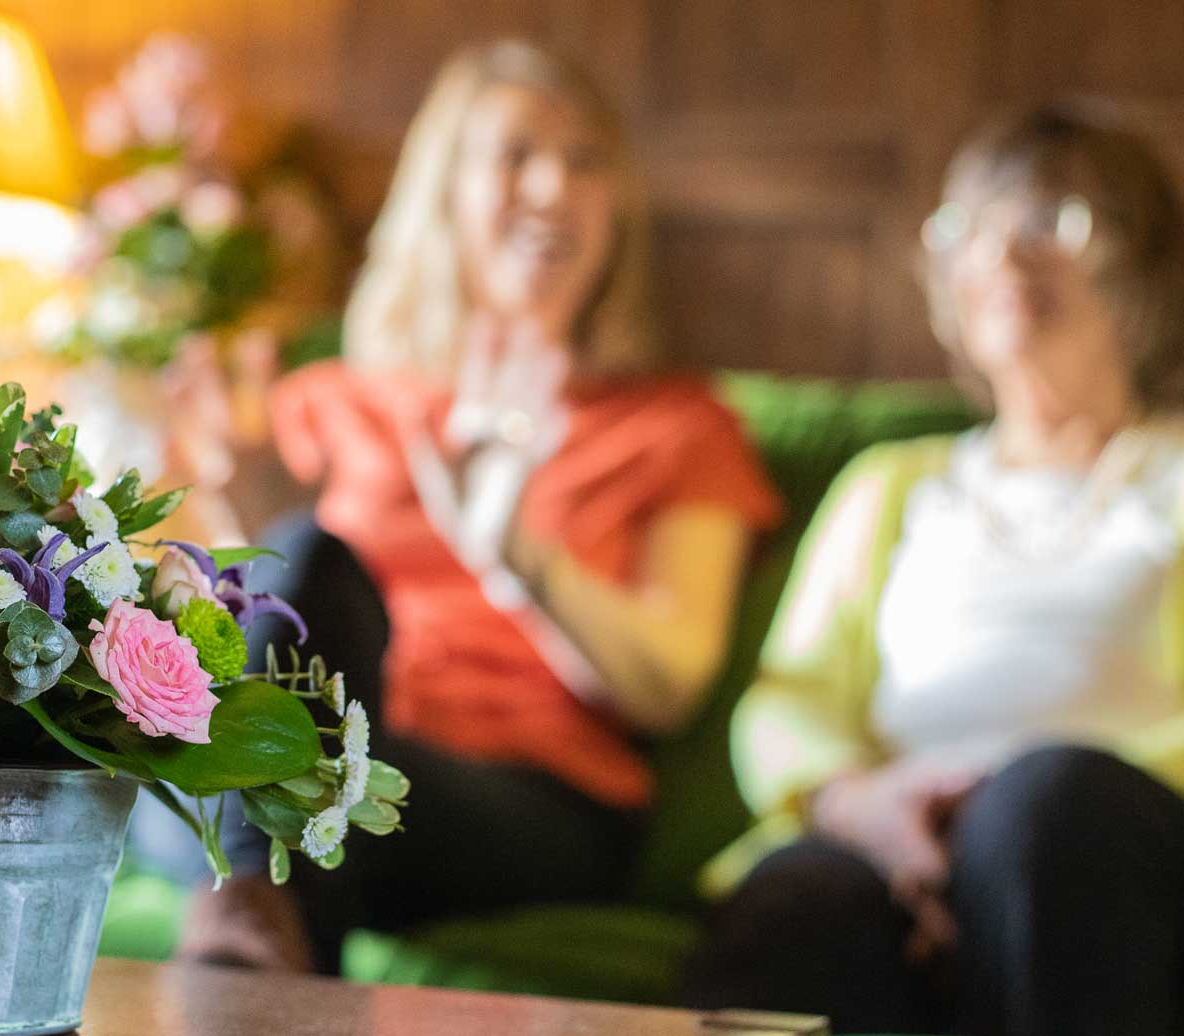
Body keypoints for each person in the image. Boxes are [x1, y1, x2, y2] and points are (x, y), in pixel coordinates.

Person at [680, 103, 1184, 1036]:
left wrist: (1002, 806)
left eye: (1054, 221)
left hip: (1149, 840)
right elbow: (788, 703)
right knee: (800, 898)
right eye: (975, 227)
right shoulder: (890, 485)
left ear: (1146, 261)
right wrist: (864, 808)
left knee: (1052, 810)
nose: (1005, 253)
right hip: (894, 836)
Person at [136, 39, 782, 972]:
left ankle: (244, 899)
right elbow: (252, 597)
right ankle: (259, 902)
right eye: (517, 154)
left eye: (586, 160)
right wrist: (190, 489)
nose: (554, 186)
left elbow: (668, 685)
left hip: (523, 798)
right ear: (447, 192)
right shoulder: (340, 396)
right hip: (319, 753)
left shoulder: (678, 428)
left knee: (269, 796)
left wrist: (519, 554)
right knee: (309, 568)